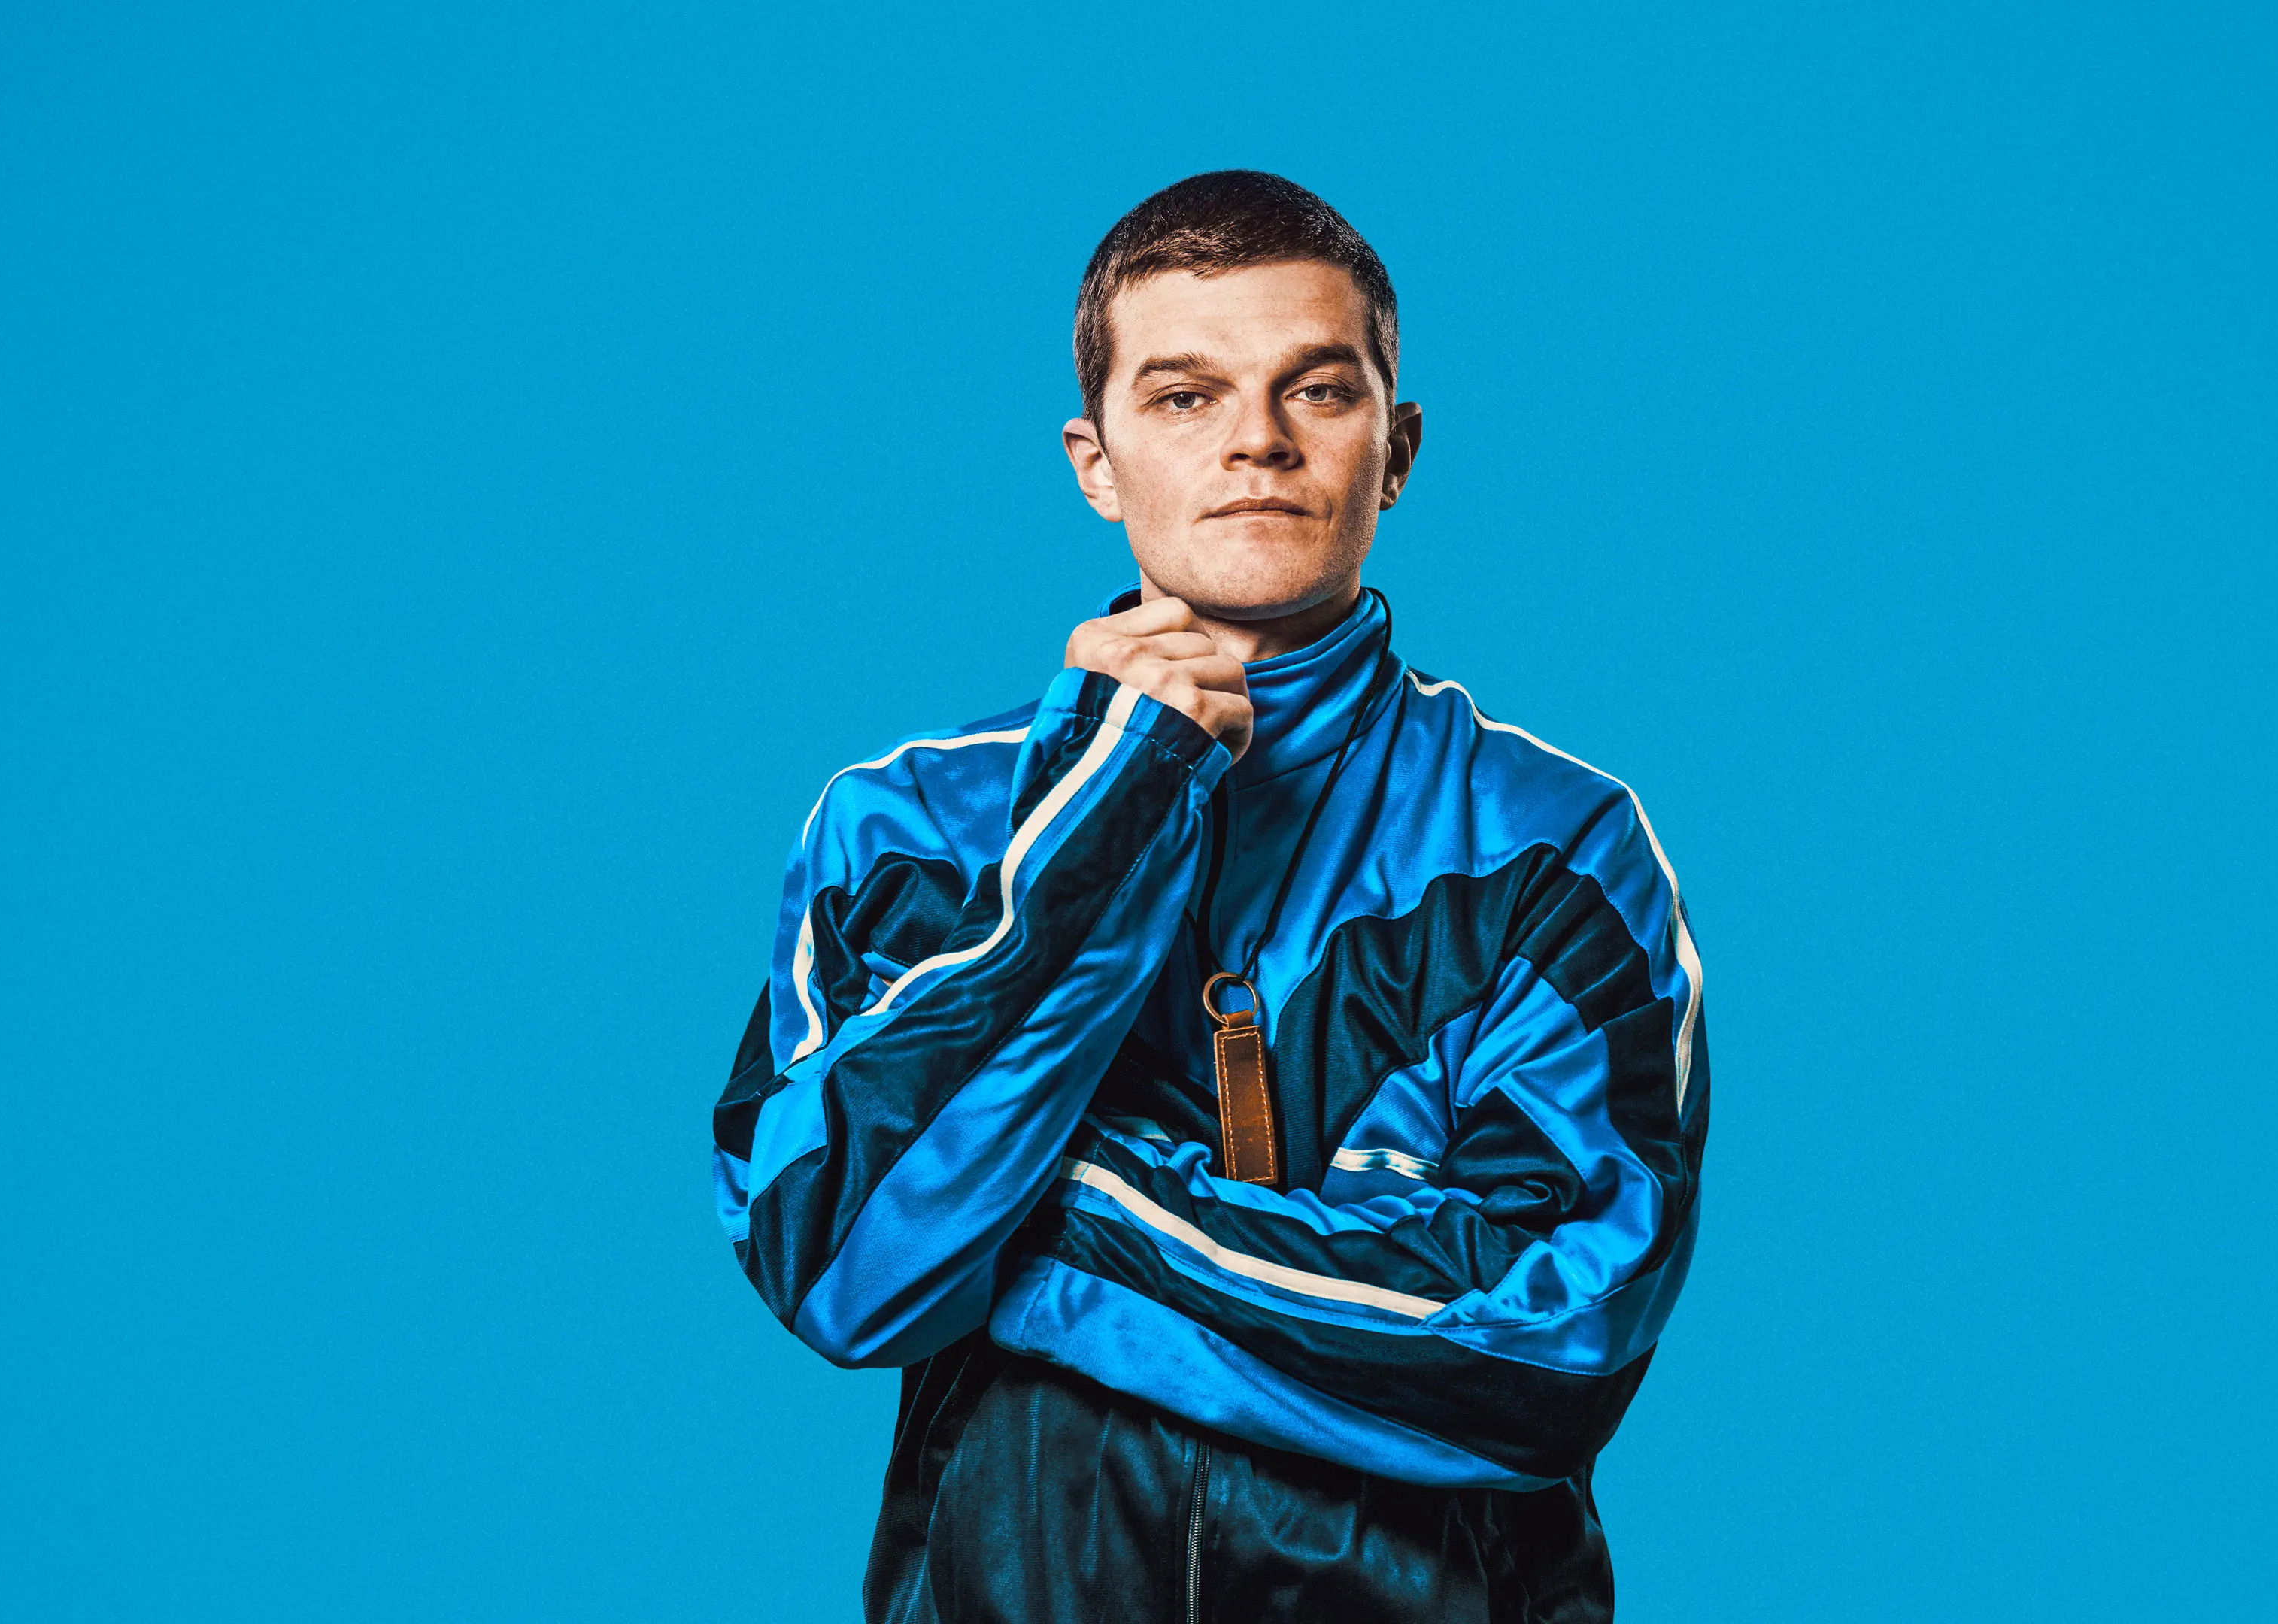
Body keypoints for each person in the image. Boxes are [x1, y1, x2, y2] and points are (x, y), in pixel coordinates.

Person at [714, 170, 1708, 1623]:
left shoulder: (1551, 845)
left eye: (1320, 391)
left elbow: (1547, 1347)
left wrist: (1020, 1205)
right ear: (1096, 462)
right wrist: (1106, 809)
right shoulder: (912, 826)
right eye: (1186, 396)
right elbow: (846, 1268)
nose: (1257, 441)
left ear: (1396, 449)